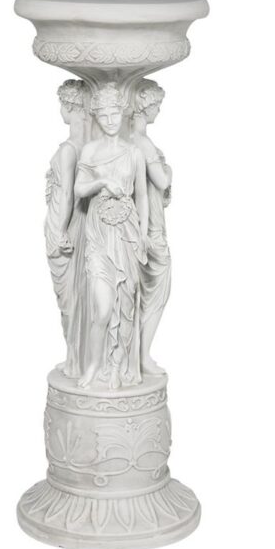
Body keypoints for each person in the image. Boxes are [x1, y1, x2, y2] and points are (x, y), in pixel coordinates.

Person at [74, 83, 149, 389]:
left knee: (125, 305)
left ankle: (116, 365)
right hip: (98, 236)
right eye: (103, 115)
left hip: (127, 235)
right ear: (96, 116)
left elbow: (142, 195)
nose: (109, 120)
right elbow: (79, 189)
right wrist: (102, 182)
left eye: (114, 114)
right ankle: (93, 364)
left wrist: (143, 233)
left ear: (122, 112)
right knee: (103, 309)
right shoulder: (90, 151)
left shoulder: (134, 153)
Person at [44, 79, 87, 377]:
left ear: (70, 106)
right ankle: (77, 357)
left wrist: (59, 231)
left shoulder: (69, 151)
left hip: (65, 227)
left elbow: (66, 195)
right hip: (77, 225)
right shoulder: (86, 147)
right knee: (76, 295)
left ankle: (76, 359)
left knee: (70, 298)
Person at [131, 79, 172, 376]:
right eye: (157, 105)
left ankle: (136, 354)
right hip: (150, 226)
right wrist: (169, 169)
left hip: (137, 219)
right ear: (146, 106)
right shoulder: (142, 143)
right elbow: (162, 180)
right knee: (157, 287)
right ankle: (142, 355)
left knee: (140, 290)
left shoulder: (129, 139)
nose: (159, 110)